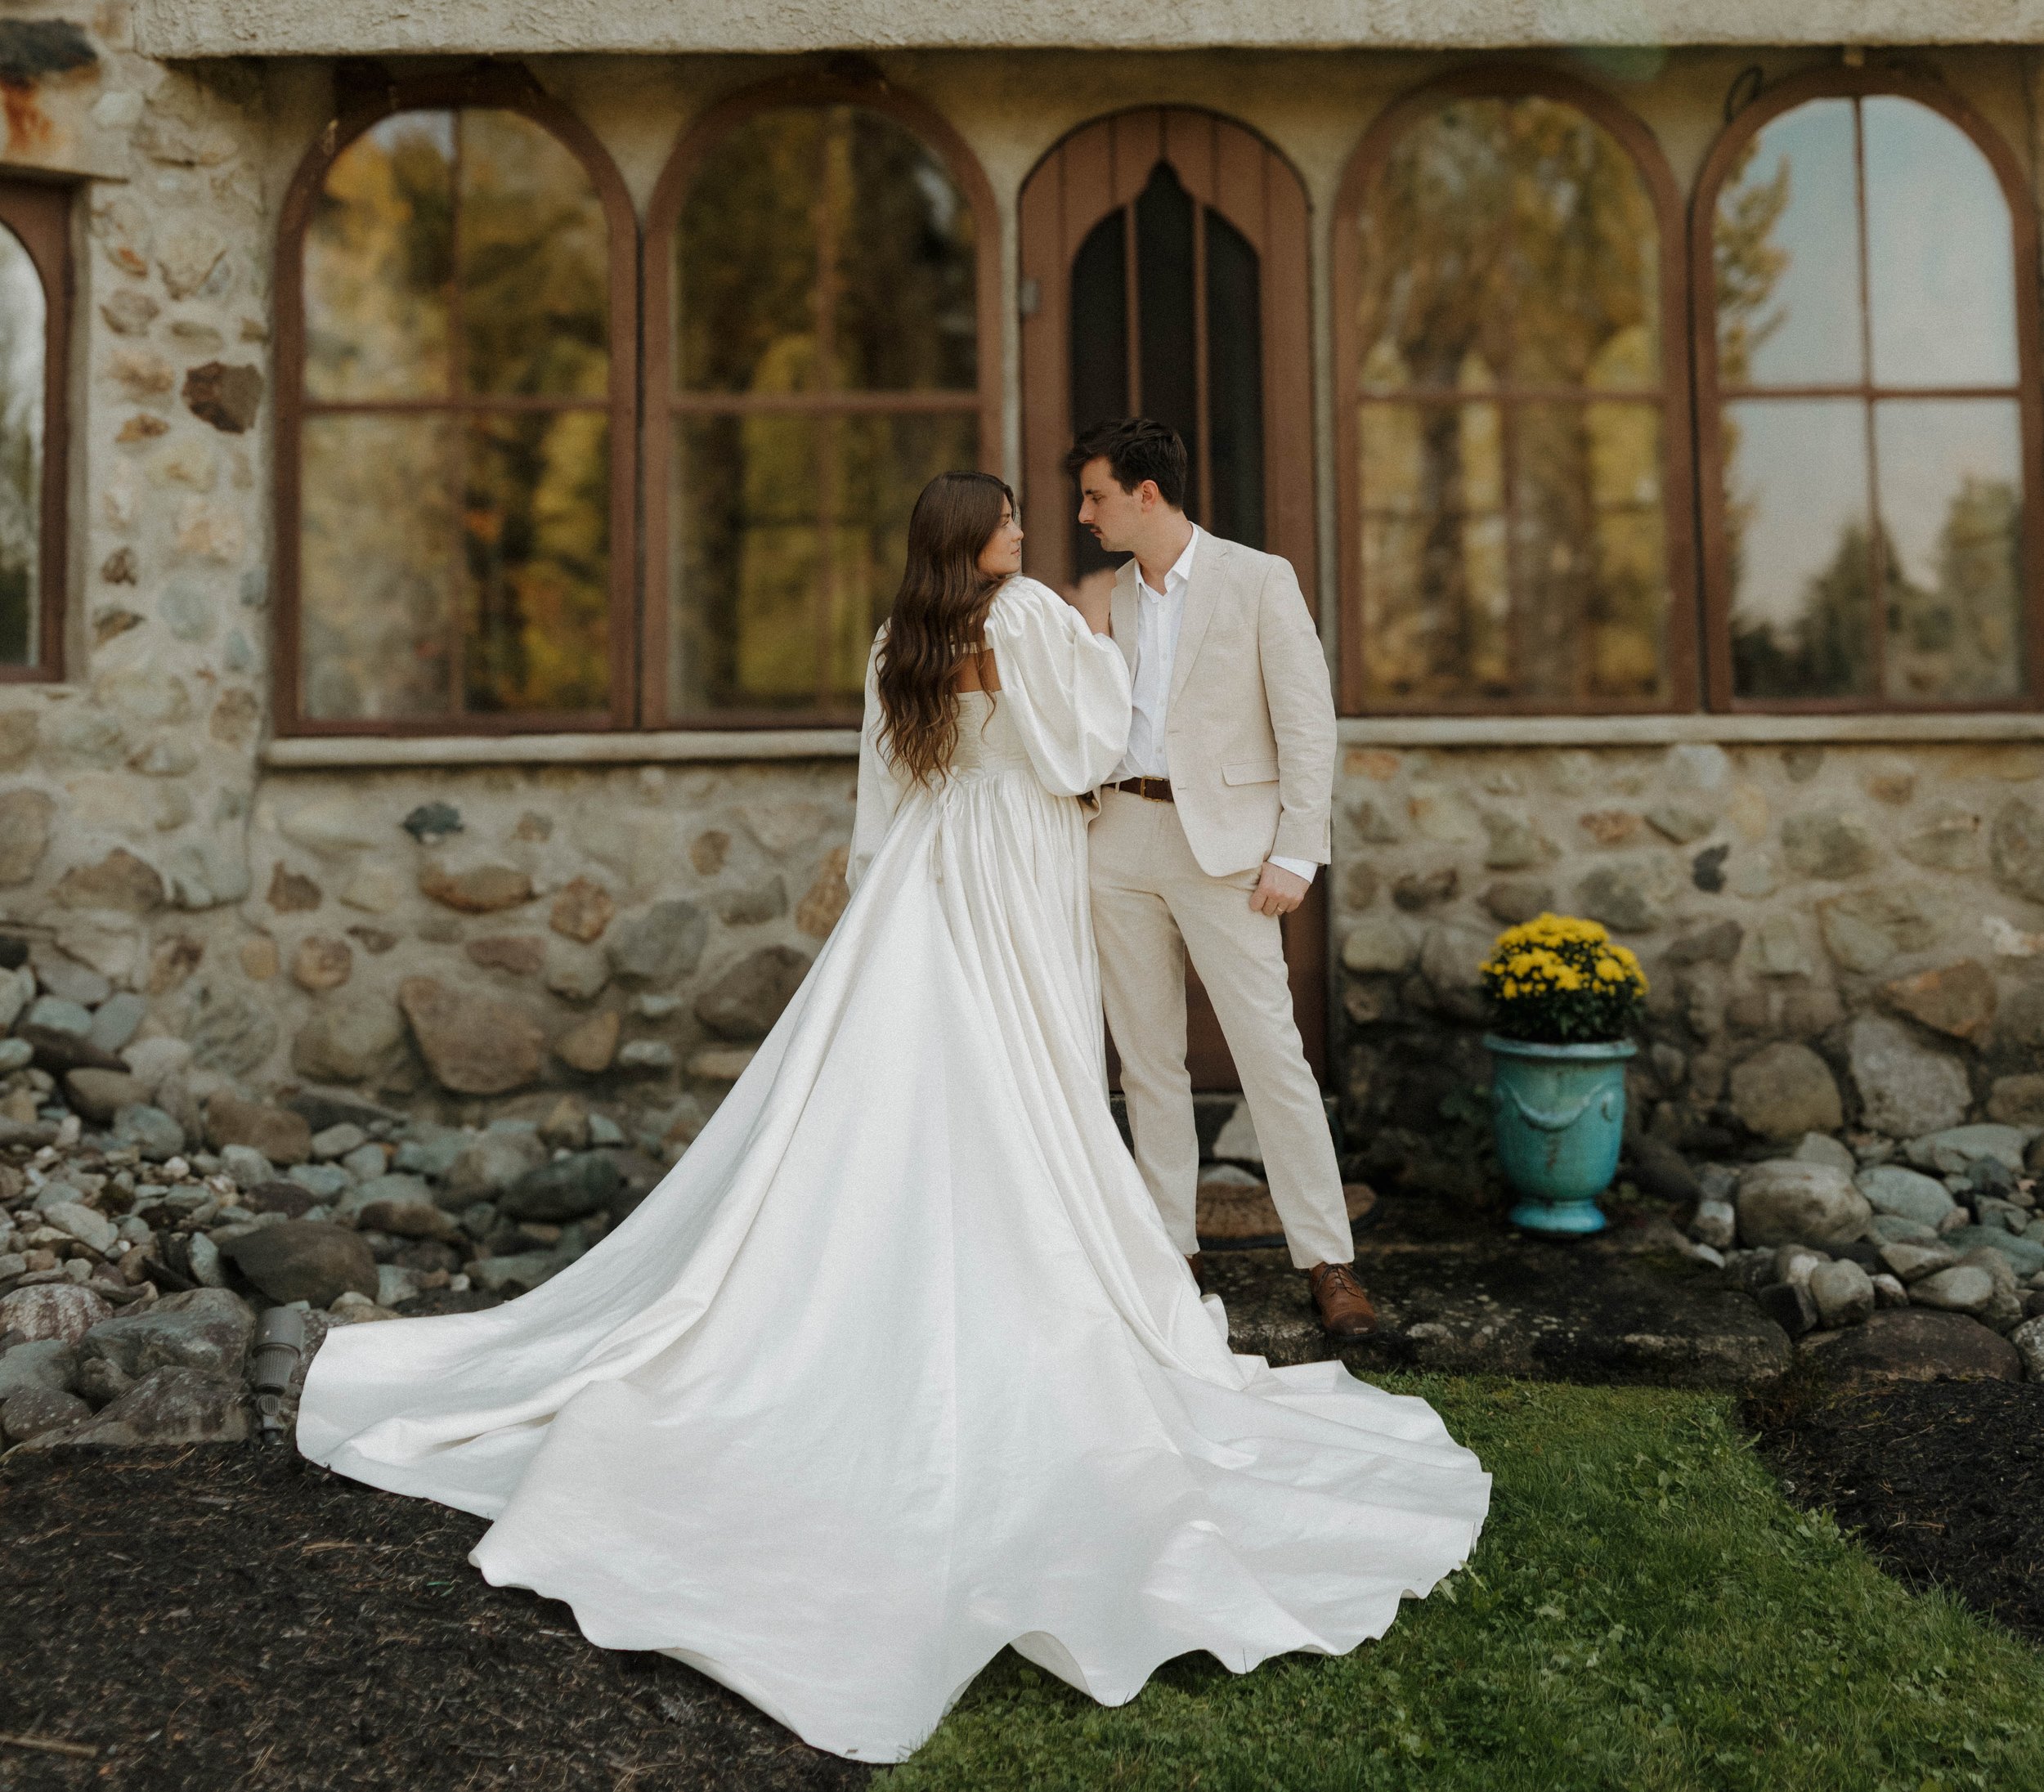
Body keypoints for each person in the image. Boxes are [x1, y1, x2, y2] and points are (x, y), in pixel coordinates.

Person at [298, 473, 1487, 1764]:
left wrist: (880, 900)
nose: (1030, 533)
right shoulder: (1031, 617)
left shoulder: (897, 639)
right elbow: (1080, 755)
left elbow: (881, 797)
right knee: (1028, 1064)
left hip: (926, 872)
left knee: (908, 1073)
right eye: (1013, 520)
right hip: (1023, 858)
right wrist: (1092, 660)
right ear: (976, 541)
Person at [1069, 417, 1374, 1342]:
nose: (1083, 513)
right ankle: (1172, 1250)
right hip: (1118, 837)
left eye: (1095, 496)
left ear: (1145, 494)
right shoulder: (1101, 597)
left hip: (1230, 850)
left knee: (1269, 1053)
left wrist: (1296, 850)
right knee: (1146, 1060)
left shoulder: (1257, 578)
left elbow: (1306, 721)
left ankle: (1328, 1259)